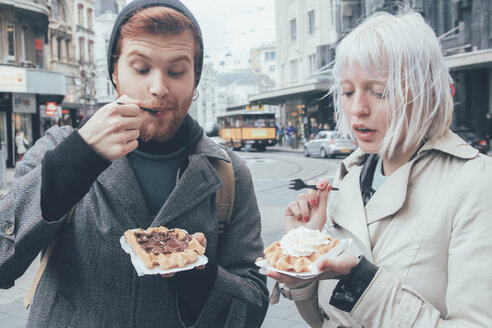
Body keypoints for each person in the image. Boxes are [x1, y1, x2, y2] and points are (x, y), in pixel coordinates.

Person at [0, 1, 269, 327]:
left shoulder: (228, 174)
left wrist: (200, 276)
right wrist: (77, 160)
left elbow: (254, 304)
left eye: (176, 71)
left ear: (195, 78)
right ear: (115, 71)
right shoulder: (58, 149)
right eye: (141, 69)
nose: (158, 88)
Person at [267, 9, 492, 328]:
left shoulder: (476, 182)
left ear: (425, 91)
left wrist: (362, 282)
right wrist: (303, 251)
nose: (357, 107)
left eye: (379, 91)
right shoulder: (348, 176)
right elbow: (324, 319)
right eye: (347, 92)